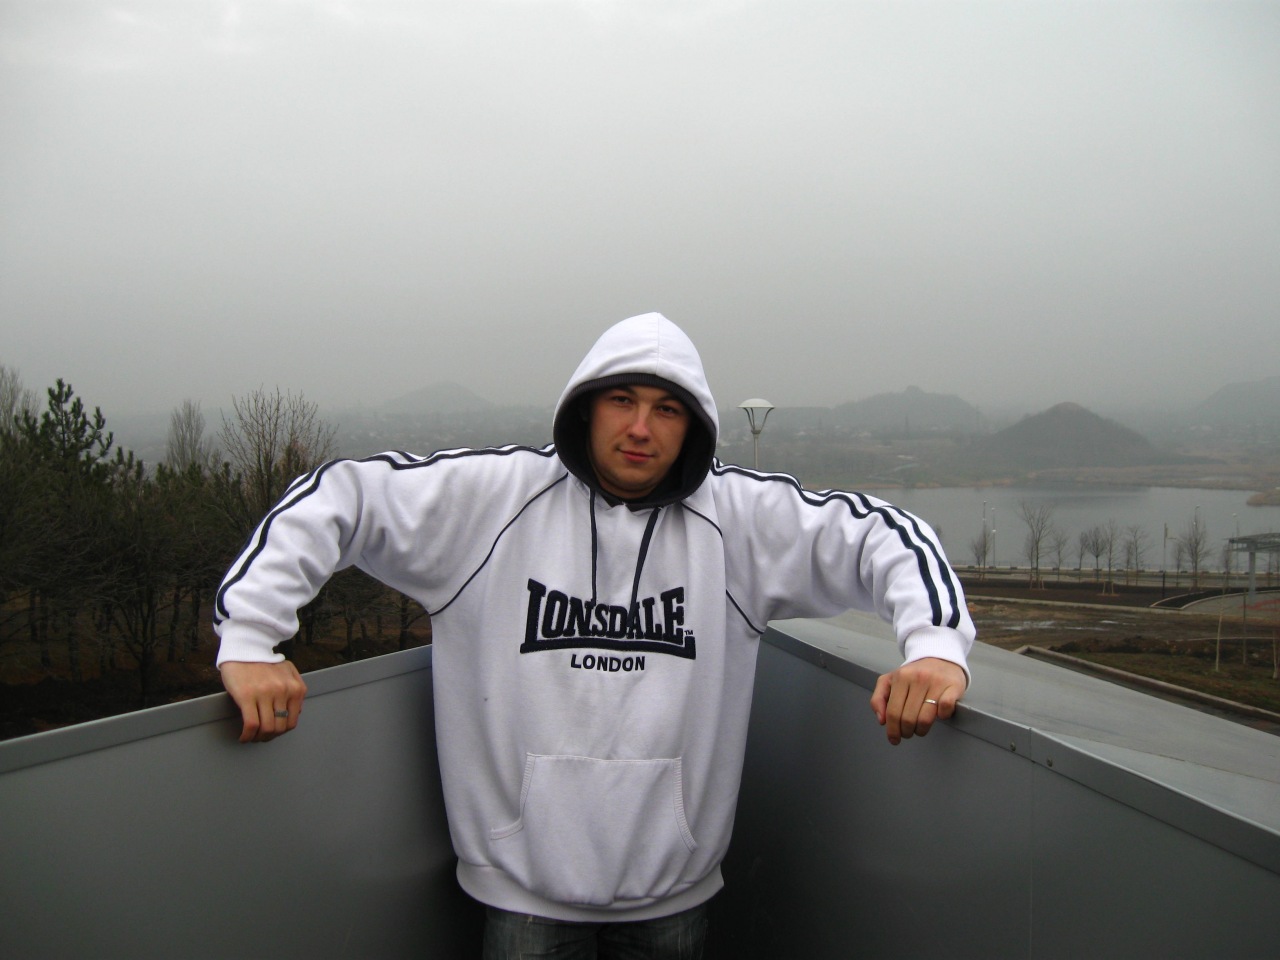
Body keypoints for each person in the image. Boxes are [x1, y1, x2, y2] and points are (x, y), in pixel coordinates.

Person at [215, 312, 974, 959]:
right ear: (585, 408)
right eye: (621, 400)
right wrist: (251, 635)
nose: (641, 427)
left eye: (667, 409)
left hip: (673, 900)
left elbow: (881, 533)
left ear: (695, 426)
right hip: (522, 901)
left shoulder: (738, 523)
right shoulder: (492, 503)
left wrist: (934, 645)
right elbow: (339, 495)